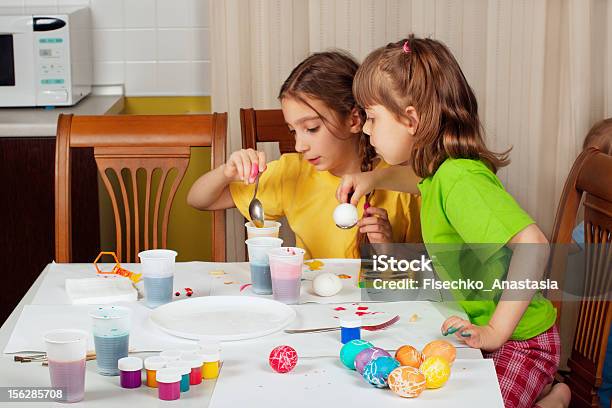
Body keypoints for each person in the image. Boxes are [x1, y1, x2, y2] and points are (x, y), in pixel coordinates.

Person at [340, 35, 571, 407]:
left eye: (372, 117)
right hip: (485, 333)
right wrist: (372, 179)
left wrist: (495, 332)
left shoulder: (460, 180)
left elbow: (533, 244)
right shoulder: (439, 175)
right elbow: (416, 183)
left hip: (523, 342)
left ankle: (554, 398)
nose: (366, 129)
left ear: (411, 119)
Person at [187, 51, 421, 259]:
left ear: (354, 119)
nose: (299, 145)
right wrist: (226, 172)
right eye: (293, 131)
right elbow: (199, 200)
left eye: (311, 128)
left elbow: (431, 275)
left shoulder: (402, 181)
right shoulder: (292, 172)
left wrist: (390, 248)